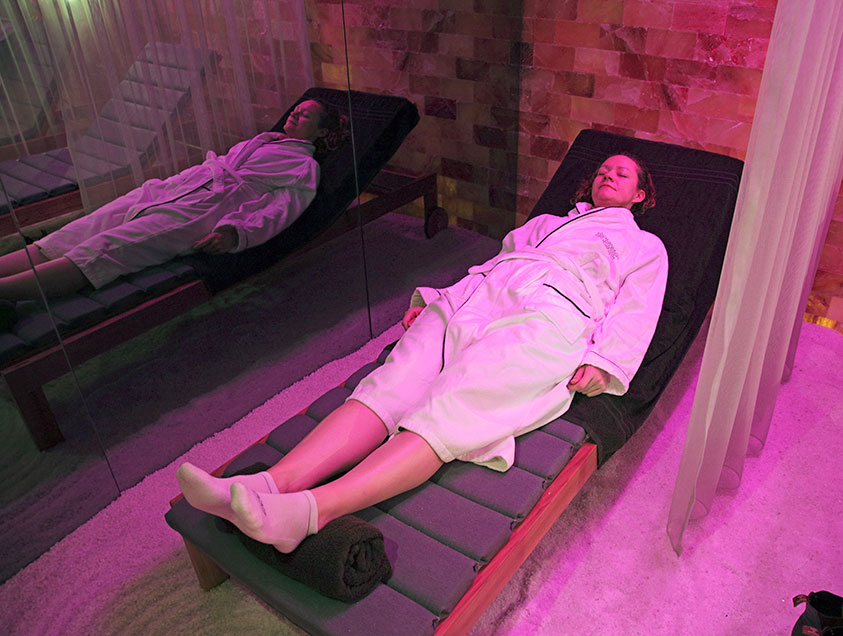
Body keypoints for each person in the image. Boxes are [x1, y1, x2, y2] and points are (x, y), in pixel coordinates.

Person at [176, 153, 669, 554]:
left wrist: (604, 363)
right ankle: (270, 484)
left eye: (621, 173)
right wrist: (440, 297)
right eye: (603, 168)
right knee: (388, 388)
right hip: (477, 297)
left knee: (449, 409)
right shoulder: (544, 223)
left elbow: (637, 311)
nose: (608, 173)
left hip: (550, 317)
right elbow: (496, 263)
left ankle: (309, 511)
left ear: (639, 195)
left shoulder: (644, 246)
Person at [0, 99, 347, 313]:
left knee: (107, 248)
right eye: (298, 109)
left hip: (203, 210)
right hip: (172, 188)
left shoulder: (304, 167)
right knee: (84, 227)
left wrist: (235, 233)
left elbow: (281, 210)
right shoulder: (267, 138)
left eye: (306, 116)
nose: (296, 113)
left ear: (320, 132)